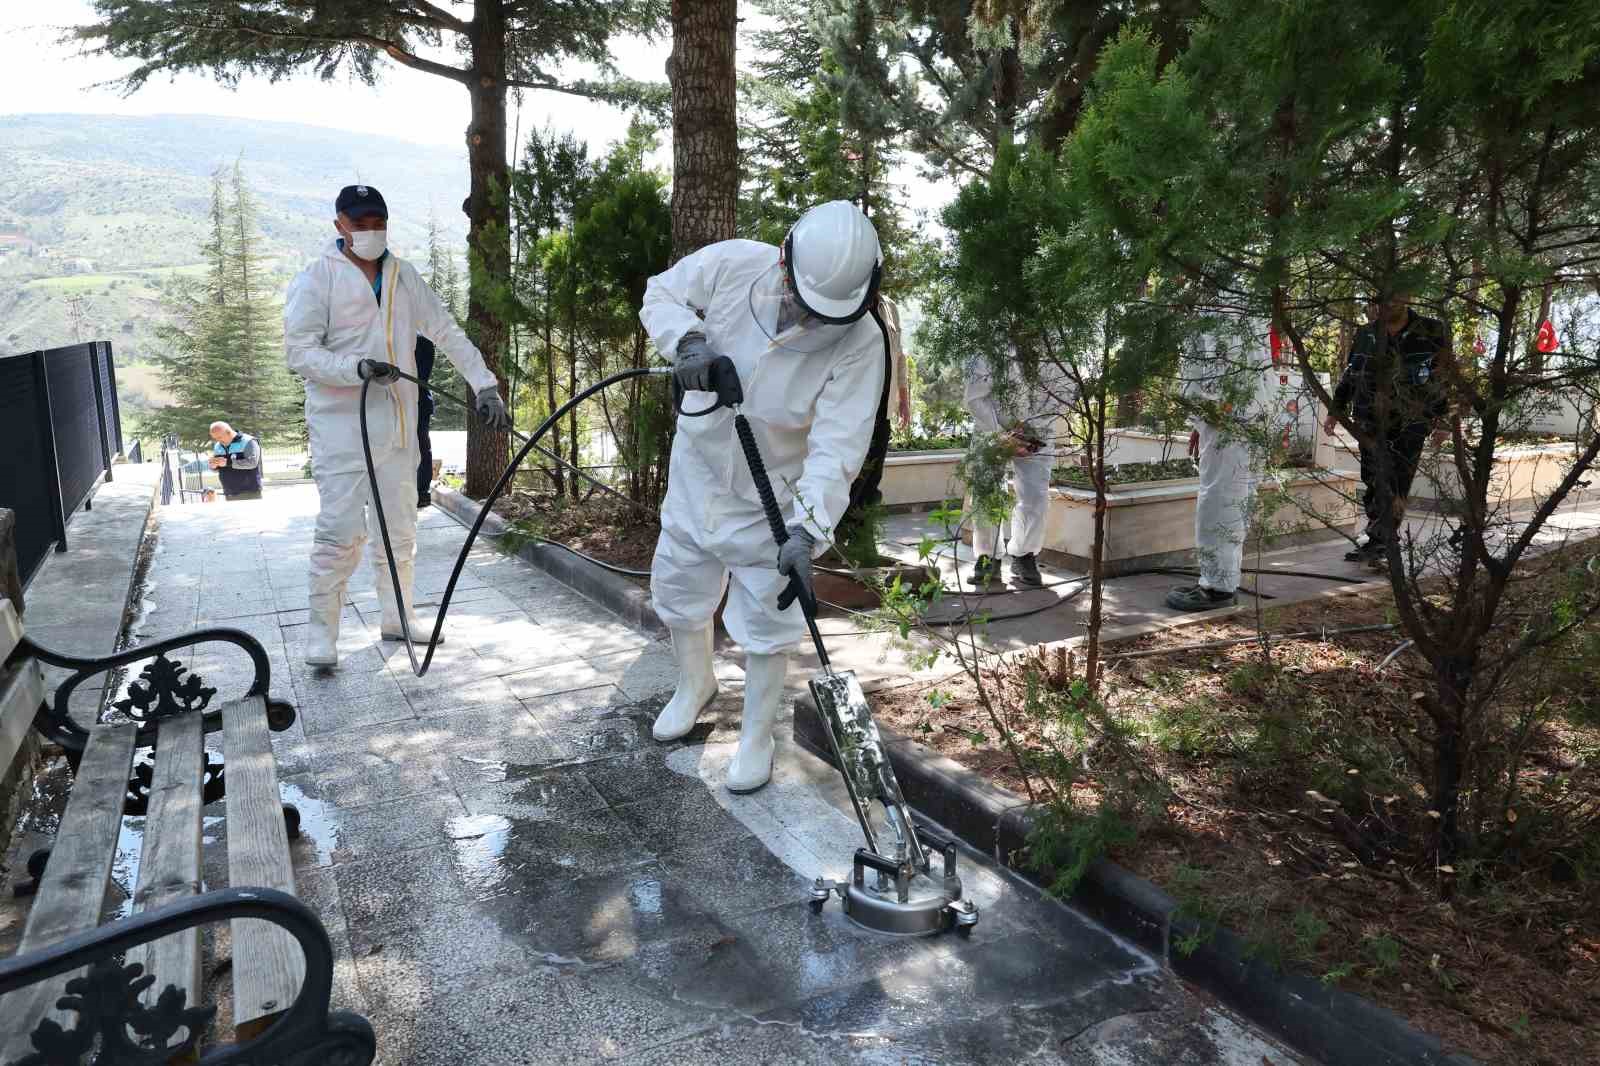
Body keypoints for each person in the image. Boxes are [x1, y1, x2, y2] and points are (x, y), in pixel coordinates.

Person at [639, 200, 887, 794]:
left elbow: (838, 444)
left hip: (771, 496)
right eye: (801, 300)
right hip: (698, 469)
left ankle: (756, 735)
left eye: (824, 313)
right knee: (679, 587)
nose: (807, 318)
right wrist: (688, 343)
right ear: (784, 259)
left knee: (768, 618)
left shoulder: (861, 341)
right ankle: (694, 684)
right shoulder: (731, 265)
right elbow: (660, 294)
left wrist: (808, 529)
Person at [284, 184, 511, 667]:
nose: (370, 231)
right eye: (360, 223)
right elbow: (300, 352)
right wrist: (355, 369)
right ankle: (322, 635)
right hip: (344, 430)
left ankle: (398, 616)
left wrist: (484, 384)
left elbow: (445, 329)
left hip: (401, 426)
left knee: (401, 528)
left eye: (377, 222)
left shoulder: (403, 276)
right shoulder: (316, 279)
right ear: (339, 225)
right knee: (340, 533)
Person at [1323, 293, 1451, 563]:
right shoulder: (1366, 333)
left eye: (1392, 299)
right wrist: (1336, 410)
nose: (1385, 305)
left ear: (1407, 297)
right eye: (1379, 300)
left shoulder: (1431, 330)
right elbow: (1351, 372)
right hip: (1370, 418)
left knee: (1398, 478)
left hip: (1412, 420)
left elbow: (1443, 375)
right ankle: (1378, 537)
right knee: (1373, 477)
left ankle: (1384, 539)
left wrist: (1443, 420)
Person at [1165, 321, 1280, 611]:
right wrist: (1198, 422)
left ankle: (1217, 588)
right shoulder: (1237, 298)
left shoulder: (1215, 301)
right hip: (1241, 417)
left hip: (1227, 419)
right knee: (1232, 500)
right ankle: (1222, 580)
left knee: (1220, 501)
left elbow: (1213, 369)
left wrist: (1205, 414)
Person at [961, 351, 1063, 589]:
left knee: (1036, 496)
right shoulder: (990, 343)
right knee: (986, 494)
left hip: (1036, 432)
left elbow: (1060, 393)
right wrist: (1000, 435)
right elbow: (974, 398)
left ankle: (1024, 556)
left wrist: (1030, 433)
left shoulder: (1055, 341)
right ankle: (988, 557)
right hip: (990, 429)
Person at [207, 421, 263, 501]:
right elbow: (219, 467)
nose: (218, 440)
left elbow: (252, 463)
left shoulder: (248, 441)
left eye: (219, 437)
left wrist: (228, 462)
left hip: (249, 492)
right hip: (229, 492)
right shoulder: (218, 446)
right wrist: (213, 466)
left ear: (228, 432)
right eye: (215, 438)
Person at [414, 335, 436, 508]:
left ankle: (421, 491)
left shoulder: (420, 342)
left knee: (421, 447)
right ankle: (421, 491)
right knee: (422, 447)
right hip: (420, 401)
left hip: (417, 401)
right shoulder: (424, 341)